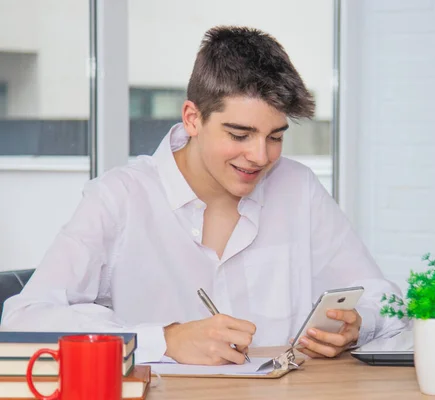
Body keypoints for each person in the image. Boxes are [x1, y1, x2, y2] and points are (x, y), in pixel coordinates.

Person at [0, 26, 407, 365]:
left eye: (276, 136)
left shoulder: (298, 188)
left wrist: (358, 324)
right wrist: (164, 340)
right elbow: (23, 322)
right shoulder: (118, 197)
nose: (260, 156)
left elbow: (384, 298)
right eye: (239, 134)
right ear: (193, 118)